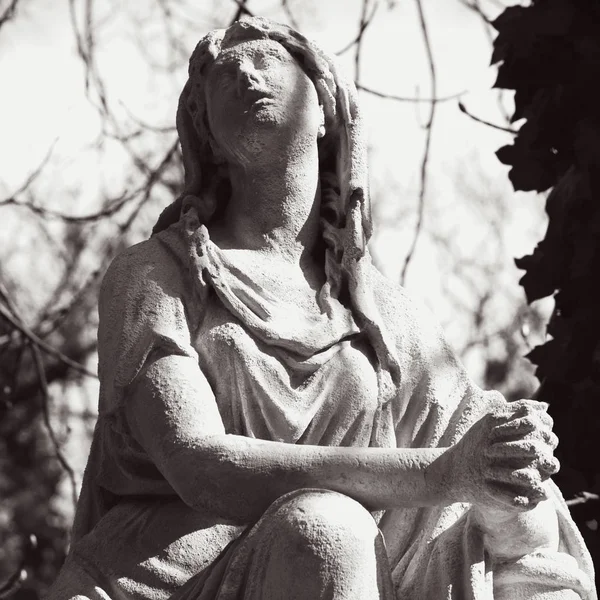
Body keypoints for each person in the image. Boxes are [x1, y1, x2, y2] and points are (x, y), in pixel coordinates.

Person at [48, 16, 595, 600]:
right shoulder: (157, 275)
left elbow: (477, 463)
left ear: (327, 104)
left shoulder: (385, 318)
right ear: (205, 131)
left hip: (344, 571)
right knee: (330, 527)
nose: (246, 76)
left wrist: (510, 467)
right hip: (168, 578)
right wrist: (440, 475)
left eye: (269, 61)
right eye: (223, 76)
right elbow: (198, 465)